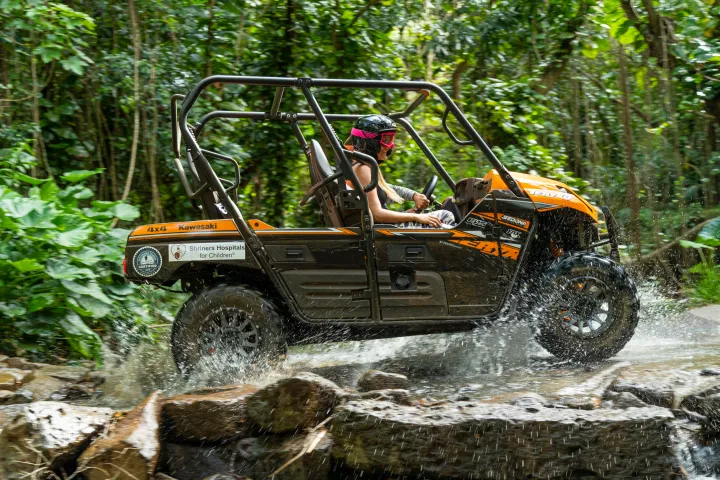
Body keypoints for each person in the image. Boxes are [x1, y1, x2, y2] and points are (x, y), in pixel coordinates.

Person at [344, 114, 456, 228]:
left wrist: (414, 196)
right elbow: (377, 214)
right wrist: (416, 217)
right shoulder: (363, 169)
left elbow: (385, 191)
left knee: (445, 215)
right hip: (382, 231)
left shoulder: (364, 166)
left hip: (384, 227)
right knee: (448, 218)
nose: (390, 145)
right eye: (386, 140)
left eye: (391, 139)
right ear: (370, 142)